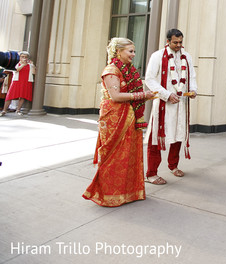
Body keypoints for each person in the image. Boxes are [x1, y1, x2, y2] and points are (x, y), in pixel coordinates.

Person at [82, 38, 156, 207]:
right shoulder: (111, 70)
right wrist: (143, 95)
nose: (133, 55)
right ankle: (109, 194)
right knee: (114, 156)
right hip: (115, 118)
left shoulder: (129, 71)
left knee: (129, 154)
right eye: (130, 51)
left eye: (134, 51)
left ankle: (128, 193)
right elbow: (115, 96)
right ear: (118, 51)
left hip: (130, 117)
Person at [144, 29, 197, 185]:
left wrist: (193, 90)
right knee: (157, 139)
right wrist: (167, 95)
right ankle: (151, 173)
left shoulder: (186, 57)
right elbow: (150, 79)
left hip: (181, 104)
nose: (179, 45)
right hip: (163, 105)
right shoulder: (157, 56)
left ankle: (173, 166)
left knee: (178, 135)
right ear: (167, 41)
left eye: (181, 42)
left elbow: (192, 76)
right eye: (175, 42)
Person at [0, 51, 35, 116]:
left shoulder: (30, 65)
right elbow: (17, 69)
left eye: (25, 57)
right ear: (20, 57)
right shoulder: (17, 63)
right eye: (22, 57)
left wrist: (32, 65)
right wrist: (23, 64)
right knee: (10, 96)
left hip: (26, 81)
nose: (24, 58)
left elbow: (34, 72)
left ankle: (18, 110)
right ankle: (4, 110)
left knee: (22, 96)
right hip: (17, 82)